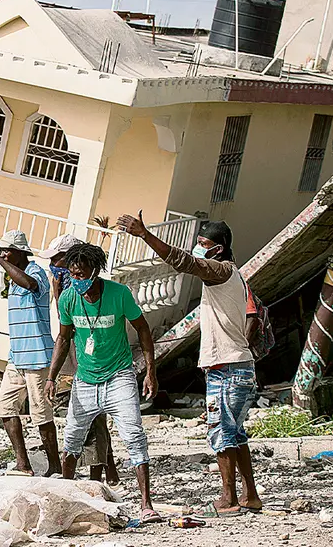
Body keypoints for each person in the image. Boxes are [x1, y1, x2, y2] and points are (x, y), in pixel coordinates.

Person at [117, 213, 261, 516]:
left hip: (227, 367)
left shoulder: (220, 270)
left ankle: (229, 499)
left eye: (203, 244)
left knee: (221, 433)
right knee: (235, 433)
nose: (199, 248)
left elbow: (182, 261)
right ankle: (250, 495)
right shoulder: (233, 274)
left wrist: (145, 235)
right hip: (237, 366)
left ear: (218, 249)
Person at [45, 243, 162, 523]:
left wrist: (150, 371)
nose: (76, 279)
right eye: (72, 274)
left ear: (95, 272)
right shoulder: (68, 299)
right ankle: (66, 501)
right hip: (85, 380)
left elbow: (142, 328)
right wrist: (51, 377)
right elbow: (63, 338)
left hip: (119, 376)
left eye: (81, 274)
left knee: (134, 436)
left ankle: (146, 504)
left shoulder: (119, 294)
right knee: (72, 439)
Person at [0, 230, 61, 477]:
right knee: (5, 407)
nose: (3, 255)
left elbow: (30, 284)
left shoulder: (36, 272)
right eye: (1, 251)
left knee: (41, 413)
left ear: (20, 252)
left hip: (37, 357)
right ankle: (23, 464)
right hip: (17, 356)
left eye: (6, 251)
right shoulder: (13, 278)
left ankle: (54, 465)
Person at [40, 234, 119, 485]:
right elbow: (63, 323)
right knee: (89, 415)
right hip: (76, 349)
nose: (53, 264)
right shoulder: (65, 284)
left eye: (57, 259)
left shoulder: (87, 285)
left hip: (90, 354)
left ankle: (98, 474)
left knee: (93, 415)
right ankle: (107, 468)